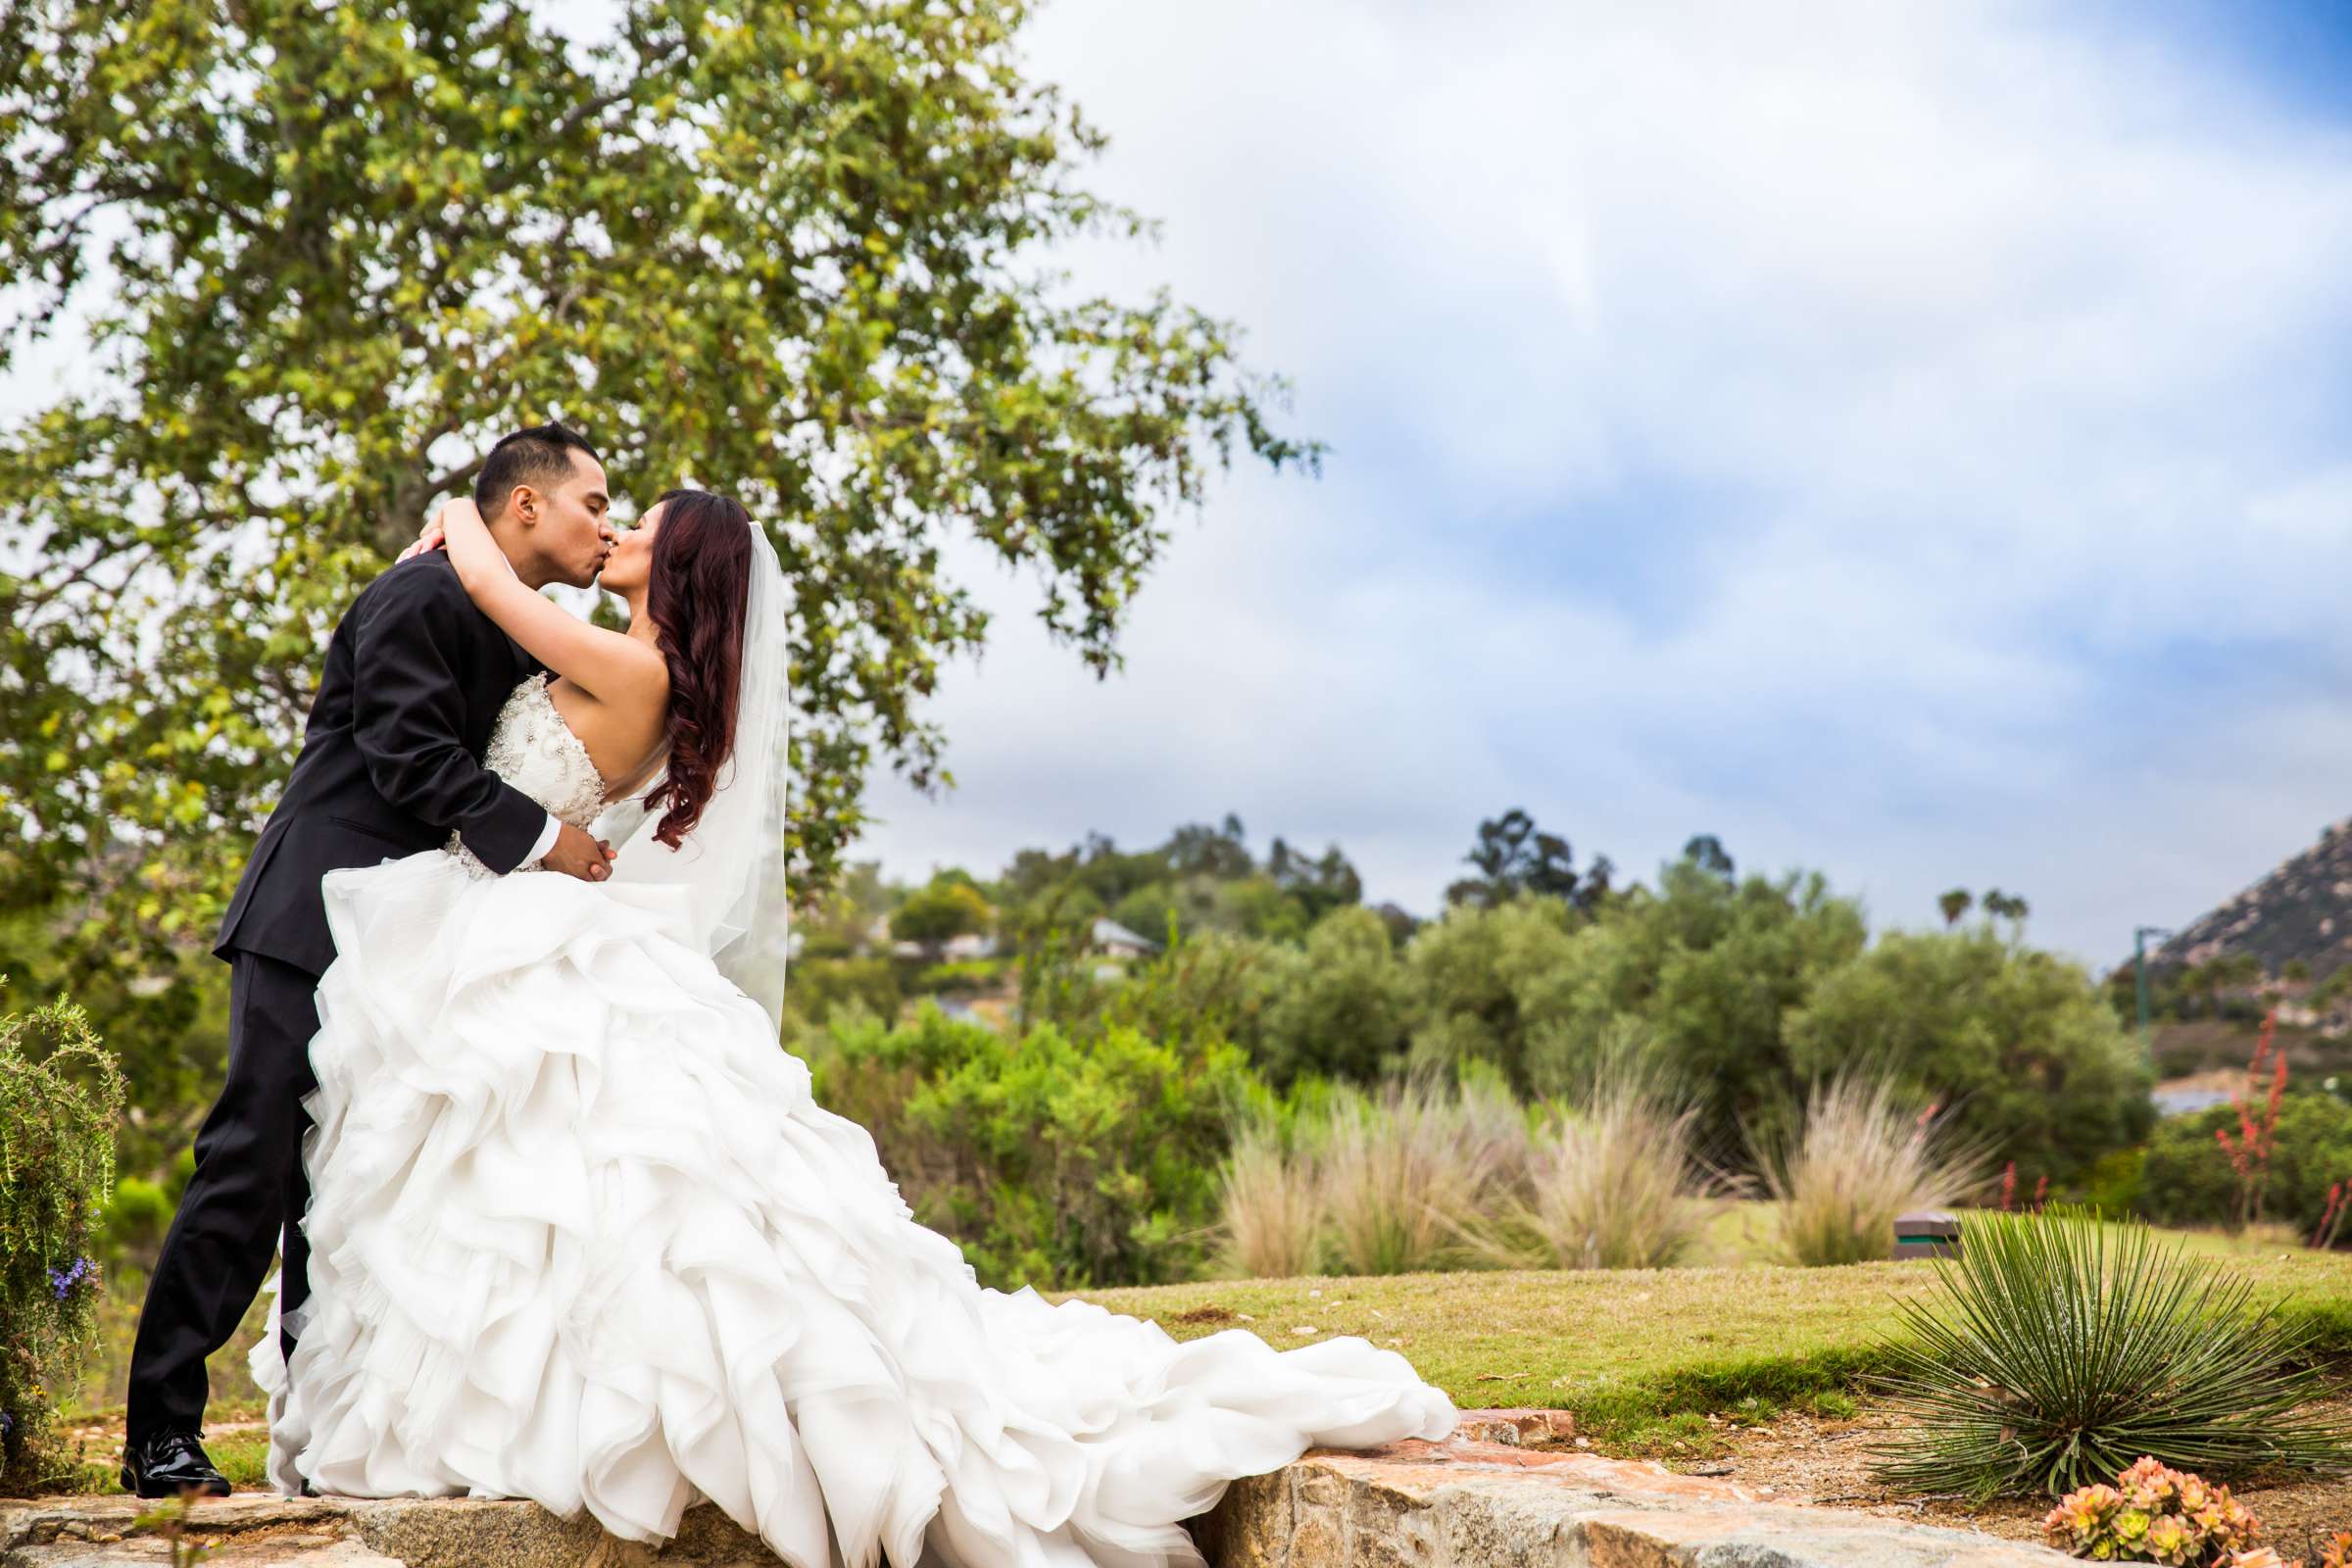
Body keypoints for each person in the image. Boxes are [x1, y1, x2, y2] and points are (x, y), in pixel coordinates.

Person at [250, 482, 1458, 1567]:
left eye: (644, 524)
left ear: (683, 571)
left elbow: (478, 578)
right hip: (498, 916)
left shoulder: (631, 669)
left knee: (577, 1183)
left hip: (514, 922)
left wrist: (460, 514)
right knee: (526, 1177)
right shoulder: (626, 658)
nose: (617, 529)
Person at [120, 424, 620, 1497]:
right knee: (252, 1162)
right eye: (594, 501)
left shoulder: (519, 629)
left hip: (413, 942)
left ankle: (317, 1427)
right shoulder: (417, 600)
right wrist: (547, 841)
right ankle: (160, 1428)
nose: (606, 524)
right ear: (523, 506)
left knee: (345, 1185)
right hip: (314, 918)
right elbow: (410, 757)